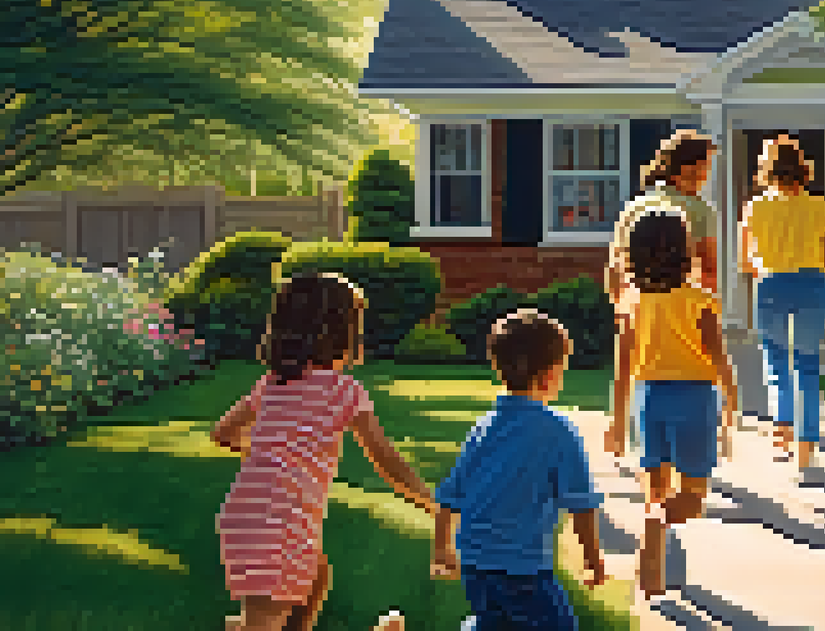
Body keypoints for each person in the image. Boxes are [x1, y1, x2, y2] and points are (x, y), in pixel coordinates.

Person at [210, 273, 437, 631]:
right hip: (282, 520)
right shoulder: (343, 391)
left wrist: (270, 453)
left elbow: (223, 433)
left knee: (315, 576)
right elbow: (386, 459)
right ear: (342, 335)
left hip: (246, 512)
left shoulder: (271, 383)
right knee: (266, 616)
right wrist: (430, 502)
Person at [430, 308, 608, 631]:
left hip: (475, 562)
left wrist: (442, 547)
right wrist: (592, 558)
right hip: (522, 568)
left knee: (494, 622)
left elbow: (450, 495)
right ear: (549, 376)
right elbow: (581, 504)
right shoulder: (558, 431)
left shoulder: (483, 428)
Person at [604, 208, 737, 599]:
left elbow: (623, 365)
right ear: (686, 251)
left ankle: (652, 582)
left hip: (650, 400)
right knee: (692, 499)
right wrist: (731, 401)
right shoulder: (701, 300)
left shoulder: (631, 301)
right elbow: (718, 356)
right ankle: (657, 523)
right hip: (695, 400)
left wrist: (617, 420)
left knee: (655, 493)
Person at [740, 135, 825, 471]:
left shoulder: (755, 206)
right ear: (802, 169)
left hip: (771, 282)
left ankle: (782, 429)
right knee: (807, 364)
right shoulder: (820, 205)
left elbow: (745, 259)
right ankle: (807, 443)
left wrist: (766, 265)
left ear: (766, 169)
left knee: (776, 359)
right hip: (812, 283)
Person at [607, 129, 720, 300]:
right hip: (684, 309)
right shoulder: (700, 210)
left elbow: (615, 268)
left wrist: (621, 309)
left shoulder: (635, 206)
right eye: (707, 167)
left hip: (638, 308)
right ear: (694, 168)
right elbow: (710, 270)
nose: (707, 175)